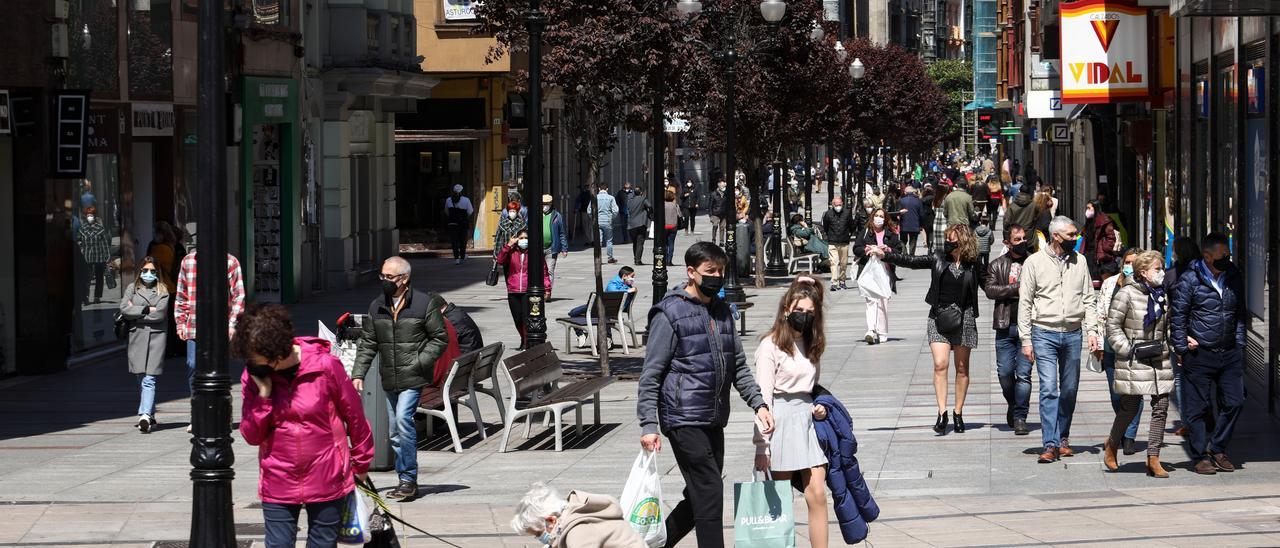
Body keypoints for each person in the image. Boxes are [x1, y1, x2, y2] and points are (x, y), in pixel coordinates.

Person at [636, 242, 774, 548]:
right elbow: (651, 373)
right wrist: (649, 425)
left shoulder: (722, 310)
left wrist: (759, 404)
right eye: (710, 271)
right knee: (710, 489)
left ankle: (651, 546)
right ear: (691, 272)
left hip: (713, 416)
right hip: (682, 416)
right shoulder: (669, 313)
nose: (717, 277)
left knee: (700, 493)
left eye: (721, 271)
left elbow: (737, 364)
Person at [236, 304, 374, 547]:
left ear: (277, 352)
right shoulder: (255, 376)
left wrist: (361, 462)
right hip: (278, 477)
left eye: (261, 360)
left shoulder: (324, 367)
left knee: (322, 543)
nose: (256, 366)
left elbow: (355, 417)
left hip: (326, 474)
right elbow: (251, 435)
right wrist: (264, 396)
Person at [351, 256, 448, 499]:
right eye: (382, 276)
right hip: (389, 377)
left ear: (404, 279)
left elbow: (440, 338)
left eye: (390, 277)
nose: (384, 280)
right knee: (394, 430)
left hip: (413, 376)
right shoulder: (377, 306)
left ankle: (408, 479)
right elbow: (368, 342)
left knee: (404, 420)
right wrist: (358, 373)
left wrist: (418, 362)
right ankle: (403, 477)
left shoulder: (424, 304)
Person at [877, 224, 982, 435]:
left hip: (965, 318)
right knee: (940, 365)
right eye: (947, 239)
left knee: (962, 369)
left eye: (952, 239)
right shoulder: (938, 257)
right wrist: (887, 255)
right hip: (938, 316)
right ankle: (942, 412)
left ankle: (958, 412)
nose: (948, 242)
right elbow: (912, 261)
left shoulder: (974, 264)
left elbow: (990, 284)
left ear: (963, 241)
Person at [753, 276, 830, 548]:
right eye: (799, 311)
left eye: (810, 312)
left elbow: (812, 387)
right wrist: (762, 446)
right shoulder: (770, 345)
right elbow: (761, 398)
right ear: (786, 309)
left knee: (818, 494)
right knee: (780, 497)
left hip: (808, 419)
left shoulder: (812, 343)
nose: (805, 317)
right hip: (779, 420)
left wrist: (819, 407)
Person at [1018, 216, 1099, 463]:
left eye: (1076, 235)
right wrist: (1026, 339)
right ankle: (1050, 443)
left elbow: (1088, 298)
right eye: (1071, 235)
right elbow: (1025, 302)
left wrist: (1093, 331)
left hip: (1073, 332)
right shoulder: (1034, 262)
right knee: (1049, 389)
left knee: (1070, 389)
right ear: (1056, 236)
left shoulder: (1080, 261)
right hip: (1044, 332)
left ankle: (1063, 436)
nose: (1076, 239)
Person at [1170, 232, 1245, 475]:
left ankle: (1218, 447)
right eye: (1223, 255)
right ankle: (1200, 455)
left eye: (1228, 254)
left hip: (1229, 351)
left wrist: (1240, 343)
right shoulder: (1190, 279)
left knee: (1235, 401)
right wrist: (1181, 347)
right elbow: (1178, 315)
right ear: (1207, 256)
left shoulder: (1233, 275)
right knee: (1197, 408)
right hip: (1199, 353)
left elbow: (1240, 314)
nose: (1227, 259)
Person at [1103, 250, 1174, 478]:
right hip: (1134, 358)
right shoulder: (1126, 294)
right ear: (1143, 272)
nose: (1161, 272)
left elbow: (1168, 325)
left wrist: (1176, 342)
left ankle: (1153, 457)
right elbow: (1112, 327)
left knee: (1161, 407)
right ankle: (1113, 443)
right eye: (1157, 269)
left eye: (1162, 268)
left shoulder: (1162, 295)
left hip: (1158, 357)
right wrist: (1127, 349)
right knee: (1130, 407)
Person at [174, 250, 247, 401]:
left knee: (217, 367)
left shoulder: (230, 261)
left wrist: (232, 323)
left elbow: (238, 295)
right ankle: (197, 407)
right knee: (192, 364)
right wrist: (180, 322)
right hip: (194, 324)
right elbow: (182, 294)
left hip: (219, 327)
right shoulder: (187, 261)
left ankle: (221, 404)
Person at [984, 224, 1033, 436]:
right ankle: (1013, 403)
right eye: (1017, 240)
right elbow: (990, 290)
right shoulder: (997, 265)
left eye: (1024, 239)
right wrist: (1016, 289)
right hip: (1005, 326)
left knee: (1023, 374)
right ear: (1007, 243)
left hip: (1028, 328)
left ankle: (1020, 416)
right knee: (1004, 373)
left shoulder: (1034, 262)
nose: (1022, 242)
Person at [1097, 249, 1143, 454]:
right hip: (1111, 347)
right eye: (1127, 262)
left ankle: (1130, 435)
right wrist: (1098, 343)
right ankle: (1123, 427)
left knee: (1134, 393)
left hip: (1136, 348)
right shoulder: (1110, 284)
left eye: (1134, 263)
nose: (1130, 266)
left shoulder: (1146, 286)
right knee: (1117, 395)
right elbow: (1100, 314)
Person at [511, 483, 646, 547]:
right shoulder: (576, 514)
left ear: (551, 521)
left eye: (538, 534)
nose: (540, 539)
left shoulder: (578, 530)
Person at [120, 257, 169, 433]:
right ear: (140, 271)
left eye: (153, 272)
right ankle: (149, 415)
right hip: (137, 338)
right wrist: (147, 309)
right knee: (141, 377)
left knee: (150, 378)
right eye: (145, 270)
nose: (148, 274)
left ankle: (145, 415)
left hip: (156, 339)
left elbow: (160, 315)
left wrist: (137, 312)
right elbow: (124, 309)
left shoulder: (163, 291)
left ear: (158, 274)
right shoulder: (132, 288)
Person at [1164, 236, 1201, 435]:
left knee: (1180, 377)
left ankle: (1187, 421)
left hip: (1179, 329)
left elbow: (1164, 304)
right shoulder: (1203, 272)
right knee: (1203, 376)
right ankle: (1202, 416)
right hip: (1202, 329)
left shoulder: (1170, 275)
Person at [496, 230, 553, 350]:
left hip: (527, 291)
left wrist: (547, 289)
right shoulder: (511, 252)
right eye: (521, 238)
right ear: (516, 239)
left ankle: (527, 341)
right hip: (513, 290)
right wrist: (508, 245)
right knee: (517, 318)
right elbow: (500, 260)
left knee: (526, 317)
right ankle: (523, 338)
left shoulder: (534, 253)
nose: (523, 240)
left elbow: (544, 271)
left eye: (526, 238)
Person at [853, 208, 901, 345]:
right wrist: (865, 249)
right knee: (870, 300)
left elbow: (899, 250)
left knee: (883, 301)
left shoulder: (891, 234)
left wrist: (888, 250)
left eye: (881, 216)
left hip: (885, 271)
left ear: (885, 219)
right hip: (869, 271)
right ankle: (871, 330)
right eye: (876, 216)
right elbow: (856, 248)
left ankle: (882, 332)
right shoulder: (865, 232)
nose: (878, 218)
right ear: (872, 217)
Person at [77, 207, 111, 304]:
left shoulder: (100, 228)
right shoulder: (82, 229)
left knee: (99, 278)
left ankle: (97, 297)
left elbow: (104, 243)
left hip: (99, 257)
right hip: (87, 258)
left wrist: (107, 257)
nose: (89, 217)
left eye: (91, 215)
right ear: (85, 216)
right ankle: (85, 297)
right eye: (88, 215)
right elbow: (79, 242)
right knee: (86, 279)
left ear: (95, 216)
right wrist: (81, 250)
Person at [821, 196, 855, 291]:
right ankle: (834, 282)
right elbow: (825, 227)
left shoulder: (847, 213)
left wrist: (848, 235)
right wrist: (830, 236)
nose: (838, 206)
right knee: (834, 263)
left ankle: (842, 281)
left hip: (844, 241)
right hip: (833, 242)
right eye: (837, 205)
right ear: (833, 205)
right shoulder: (828, 214)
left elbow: (851, 225)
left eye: (840, 204)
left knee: (843, 263)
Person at [1082, 200, 1119, 284]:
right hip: (1090, 254)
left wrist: (1105, 248)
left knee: (1105, 282)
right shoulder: (1089, 221)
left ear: (1095, 208)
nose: (1087, 210)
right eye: (1086, 208)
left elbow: (1111, 237)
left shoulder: (1104, 220)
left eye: (1089, 208)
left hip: (1100, 254)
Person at [541, 194, 569, 283]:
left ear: (550, 203)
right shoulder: (535, 215)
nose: (544, 206)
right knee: (539, 272)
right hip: (538, 247)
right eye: (543, 203)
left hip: (551, 248)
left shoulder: (556, 216)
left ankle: (548, 292)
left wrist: (564, 248)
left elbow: (561, 233)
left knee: (549, 271)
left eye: (547, 203)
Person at [589, 184, 620, 263]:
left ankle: (598, 258)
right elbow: (615, 210)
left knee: (598, 241)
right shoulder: (611, 198)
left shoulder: (595, 198)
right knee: (609, 240)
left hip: (597, 221)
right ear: (607, 189)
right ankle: (610, 258)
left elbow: (589, 210)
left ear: (599, 188)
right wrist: (611, 218)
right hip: (607, 221)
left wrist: (593, 218)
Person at [444, 184, 474, 265]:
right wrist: (464, 217)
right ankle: (463, 255)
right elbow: (470, 211)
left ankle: (456, 258)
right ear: (461, 191)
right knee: (463, 240)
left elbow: (446, 212)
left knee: (454, 240)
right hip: (462, 223)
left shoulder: (448, 200)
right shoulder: (466, 200)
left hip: (452, 223)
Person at [494, 200, 527, 268]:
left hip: (517, 254)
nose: (512, 213)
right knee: (507, 274)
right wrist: (496, 255)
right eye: (510, 211)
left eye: (514, 211)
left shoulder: (522, 223)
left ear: (517, 212)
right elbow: (498, 240)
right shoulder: (502, 224)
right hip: (506, 253)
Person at [898, 186, 926, 255]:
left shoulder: (901, 200)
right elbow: (921, 214)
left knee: (902, 241)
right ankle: (911, 256)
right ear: (913, 192)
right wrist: (921, 224)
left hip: (904, 224)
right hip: (915, 225)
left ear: (905, 192)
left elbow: (898, 212)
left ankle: (905, 254)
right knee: (913, 242)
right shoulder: (918, 201)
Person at [626, 187, 652, 264]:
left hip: (631, 225)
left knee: (634, 242)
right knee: (640, 242)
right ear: (641, 192)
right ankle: (638, 260)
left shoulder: (629, 201)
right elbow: (649, 206)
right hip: (641, 223)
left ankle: (635, 258)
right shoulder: (643, 199)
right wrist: (650, 213)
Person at [663, 188, 682, 265]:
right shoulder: (675, 205)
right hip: (673, 226)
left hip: (664, 226)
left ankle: (665, 258)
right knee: (671, 243)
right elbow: (680, 215)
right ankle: (669, 260)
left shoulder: (662, 205)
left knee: (665, 243)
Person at [929, 185, 949, 253]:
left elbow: (933, 210)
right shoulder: (946, 200)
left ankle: (938, 256)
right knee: (944, 241)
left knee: (937, 241)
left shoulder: (934, 200)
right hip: (944, 221)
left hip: (936, 221)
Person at [709, 180, 729, 245]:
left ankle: (721, 241)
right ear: (718, 185)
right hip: (715, 213)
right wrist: (710, 215)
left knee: (722, 227)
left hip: (724, 213)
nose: (723, 186)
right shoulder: (714, 194)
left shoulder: (727, 193)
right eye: (721, 184)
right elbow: (710, 205)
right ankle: (713, 240)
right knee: (715, 225)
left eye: (724, 184)